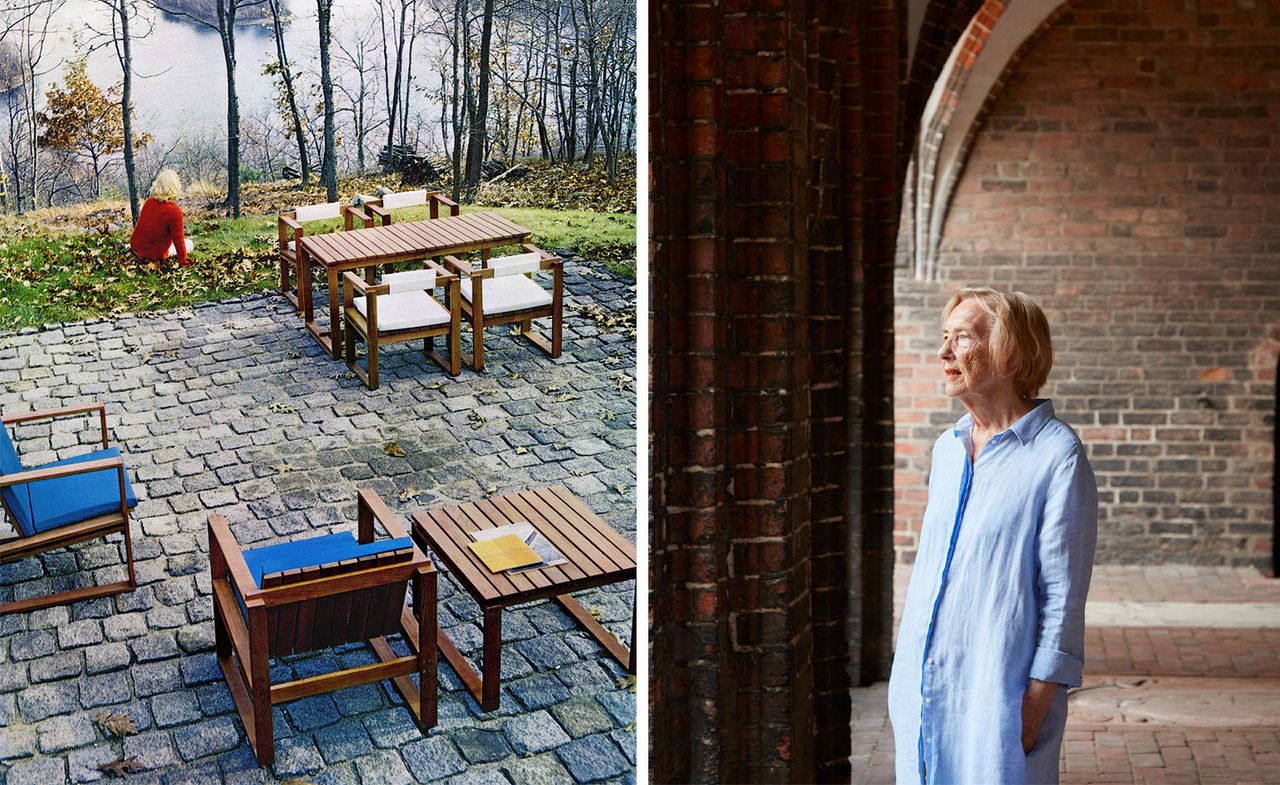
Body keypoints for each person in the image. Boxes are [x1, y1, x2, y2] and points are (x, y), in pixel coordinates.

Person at [887, 287, 1097, 785]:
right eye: (945, 337)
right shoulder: (947, 449)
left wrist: (1035, 706)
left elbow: (1063, 596)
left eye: (962, 338)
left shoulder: (1057, 456)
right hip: (922, 692)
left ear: (1012, 352)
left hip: (997, 698)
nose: (944, 353)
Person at [130, 169, 193, 267]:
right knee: (189, 244)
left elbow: (142, 228)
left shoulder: (149, 202)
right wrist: (183, 261)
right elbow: (178, 241)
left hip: (136, 246)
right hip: (152, 254)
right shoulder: (175, 211)